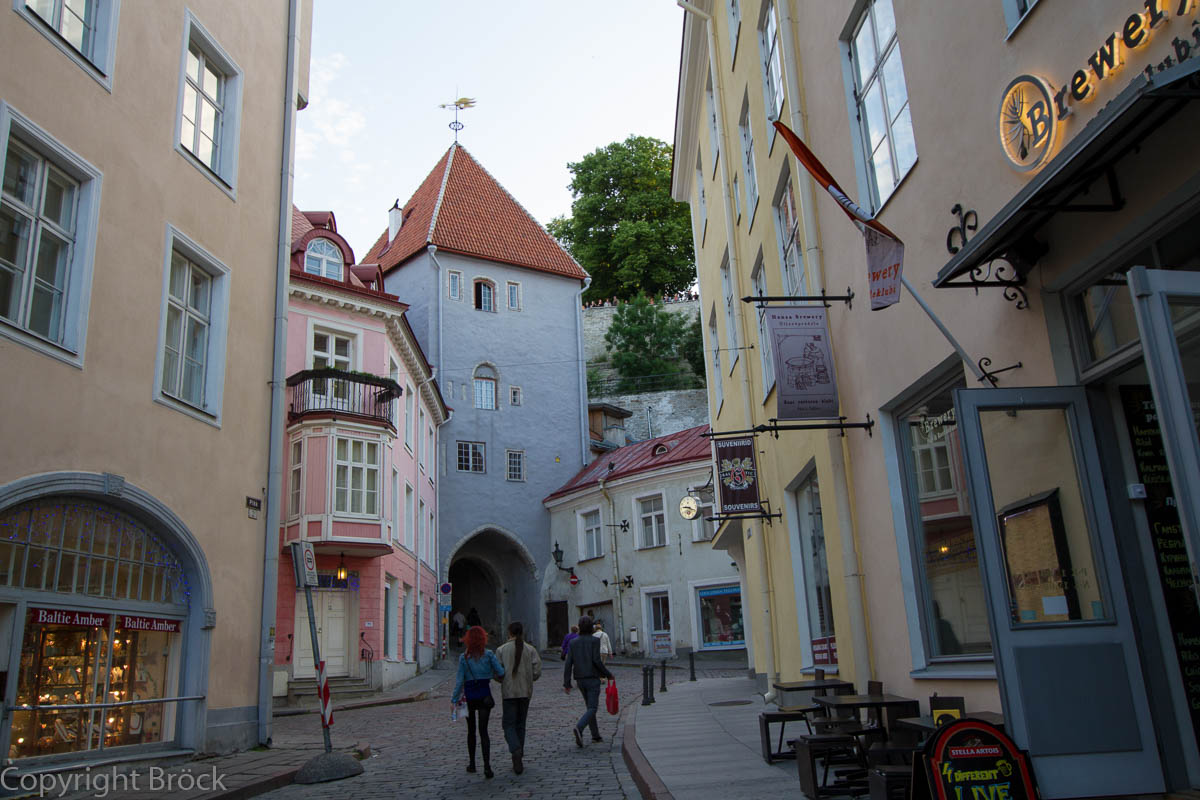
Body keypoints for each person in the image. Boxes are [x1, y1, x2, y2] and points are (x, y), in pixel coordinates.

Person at [452, 625, 504, 778]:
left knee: (471, 731)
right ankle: (487, 766)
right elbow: (500, 672)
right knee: (484, 732)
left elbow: (459, 681)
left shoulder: (464, 658)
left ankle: (472, 764)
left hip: (469, 697)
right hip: (484, 696)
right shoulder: (488, 655)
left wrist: (454, 699)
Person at [495, 621, 541, 775]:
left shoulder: (501, 650)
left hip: (509, 693)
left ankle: (515, 749)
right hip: (525, 692)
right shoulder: (530, 649)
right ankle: (519, 753)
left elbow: (497, 672)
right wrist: (528, 679)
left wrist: (503, 680)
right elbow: (537, 671)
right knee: (521, 724)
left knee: (508, 725)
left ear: (510, 633)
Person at [563, 616, 614, 747]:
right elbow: (597, 661)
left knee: (589, 707)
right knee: (592, 707)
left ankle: (595, 735)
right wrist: (608, 674)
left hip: (580, 679)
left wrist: (567, 683)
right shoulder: (594, 641)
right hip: (592, 677)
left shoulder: (573, 643)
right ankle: (579, 727)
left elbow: (568, 663)